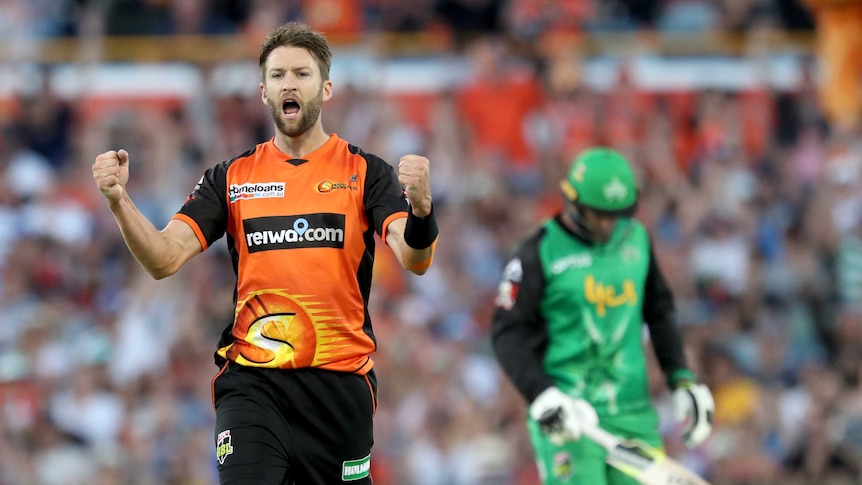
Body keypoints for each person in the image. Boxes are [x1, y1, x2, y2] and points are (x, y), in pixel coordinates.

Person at [92, 21, 438, 485]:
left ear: (327, 87)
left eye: (301, 73)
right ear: (263, 91)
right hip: (254, 385)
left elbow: (415, 258)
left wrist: (420, 209)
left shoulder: (364, 172)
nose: (288, 83)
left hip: (338, 386)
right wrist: (119, 201)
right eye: (277, 75)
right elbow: (164, 258)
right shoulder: (231, 177)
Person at [490, 147, 713, 485]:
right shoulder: (538, 252)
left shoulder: (636, 239)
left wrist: (681, 379)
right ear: (573, 203)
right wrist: (541, 392)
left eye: (617, 214)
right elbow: (506, 330)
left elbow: (660, 310)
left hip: (632, 414)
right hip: (570, 416)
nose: (610, 224)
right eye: (599, 215)